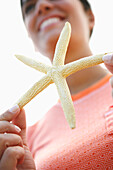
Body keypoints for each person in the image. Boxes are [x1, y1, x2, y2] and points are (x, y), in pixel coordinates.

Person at [0, 0, 113, 169]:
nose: (41, 6)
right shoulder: (24, 141)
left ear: (90, 16)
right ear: (31, 39)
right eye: (29, 7)